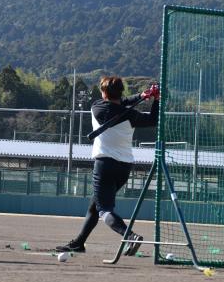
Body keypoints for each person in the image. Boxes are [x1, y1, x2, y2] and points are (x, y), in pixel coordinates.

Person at [56, 76, 159, 256]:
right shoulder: (131, 115)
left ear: (104, 93)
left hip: (104, 165)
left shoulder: (96, 107)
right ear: (120, 92)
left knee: (104, 209)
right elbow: (152, 119)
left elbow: (118, 103)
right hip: (125, 167)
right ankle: (78, 243)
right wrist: (154, 99)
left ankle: (130, 236)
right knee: (94, 206)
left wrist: (141, 96)